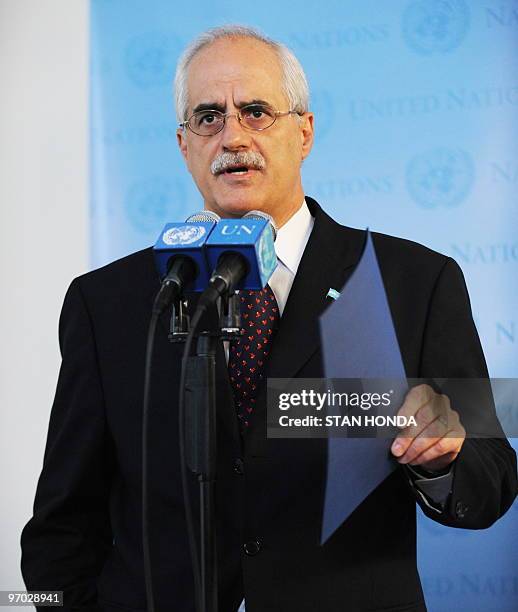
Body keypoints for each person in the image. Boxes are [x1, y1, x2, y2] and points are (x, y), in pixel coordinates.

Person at [21, 25, 517, 612]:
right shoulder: (107, 303)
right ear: (184, 145)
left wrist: (445, 460)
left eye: (256, 111)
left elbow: (492, 480)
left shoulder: (415, 281)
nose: (232, 136)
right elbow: (61, 529)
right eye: (208, 116)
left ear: (303, 132)